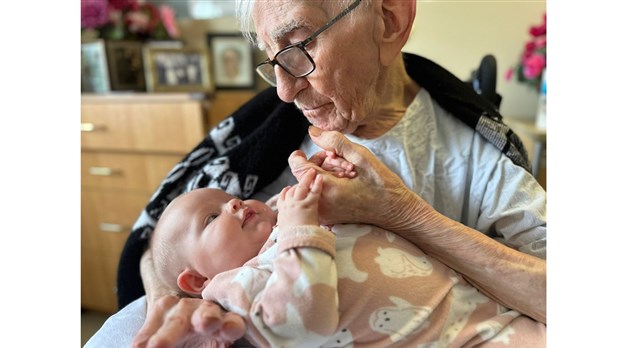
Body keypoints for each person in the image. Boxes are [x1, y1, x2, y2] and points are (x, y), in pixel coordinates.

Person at [85, 0, 546, 346]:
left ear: (389, 18)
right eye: (272, 60)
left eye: (299, 46)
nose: (285, 91)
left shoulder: (476, 156)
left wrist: (404, 215)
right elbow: (162, 243)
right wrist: (179, 298)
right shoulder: (266, 136)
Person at [149, 168, 545, 347]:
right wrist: (297, 225)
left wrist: (323, 181)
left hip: (486, 303)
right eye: (212, 217)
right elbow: (303, 323)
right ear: (198, 281)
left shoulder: (278, 217)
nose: (232, 203)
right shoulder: (237, 286)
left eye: (227, 197)